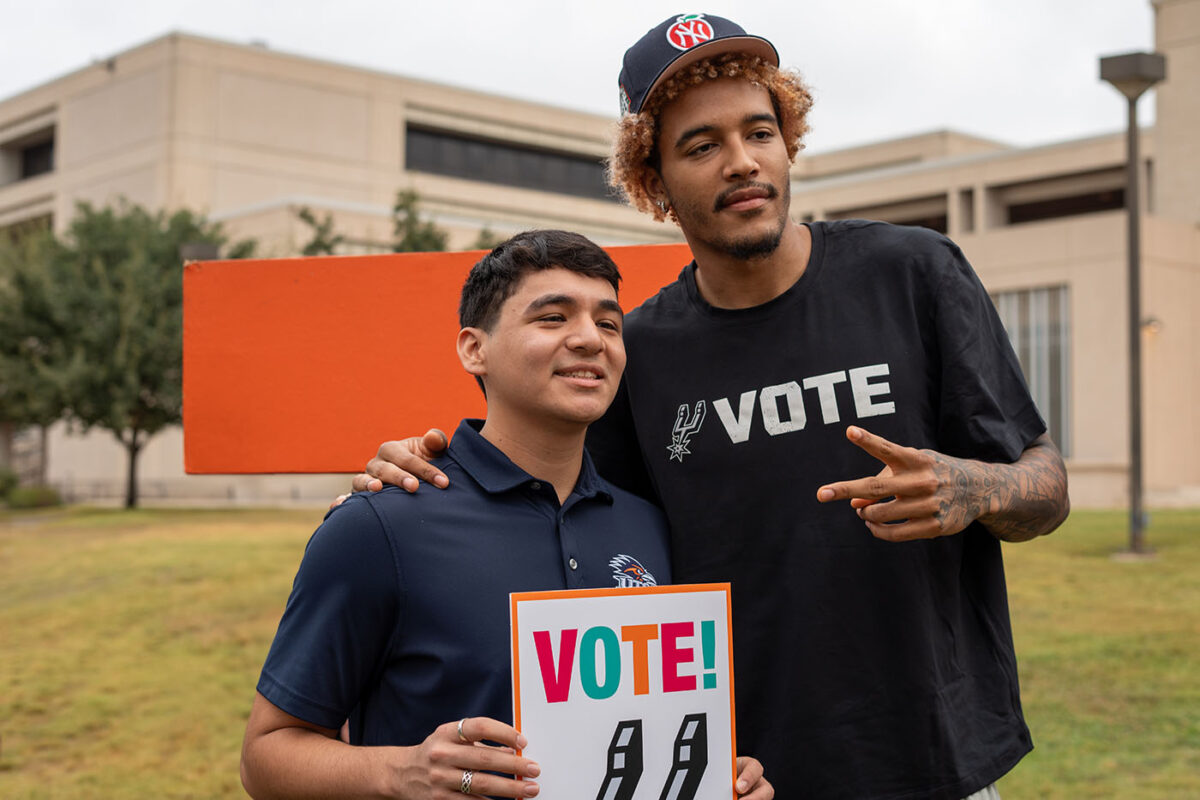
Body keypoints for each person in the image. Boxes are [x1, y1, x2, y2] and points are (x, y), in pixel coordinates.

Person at [351, 15, 1070, 800]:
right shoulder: (640, 351)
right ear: (652, 180)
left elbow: (1046, 485)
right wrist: (421, 468)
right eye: (701, 145)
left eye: (759, 131)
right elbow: (561, 512)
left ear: (787, 140)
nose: (741, 162)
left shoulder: (914, 273)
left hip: (935, 761)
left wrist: (975, 489)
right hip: (735, 775)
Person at [242, 229, 773, 798]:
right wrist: (400, 772)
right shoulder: (379, 526)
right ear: (475, 348)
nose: (590, 339)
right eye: (552, 318)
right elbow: (265, 756)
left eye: (609, 323)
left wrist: (715, 775)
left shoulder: (650, 525)